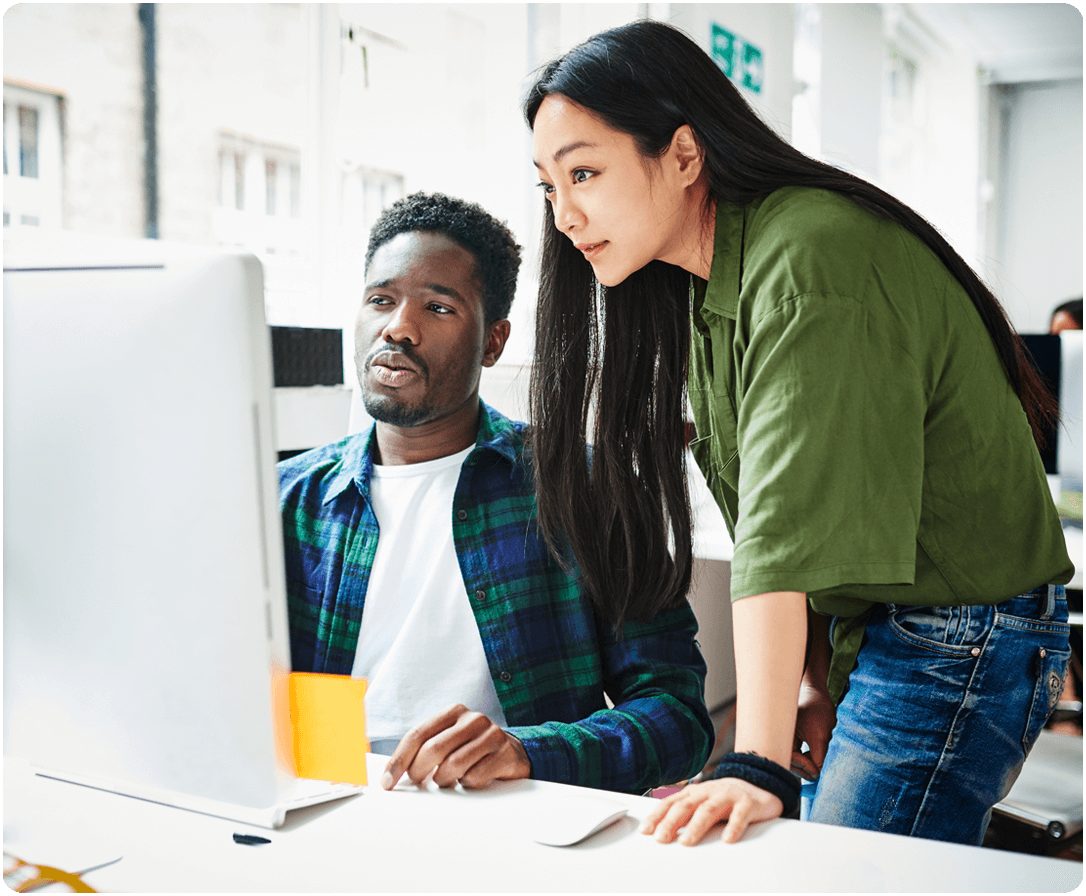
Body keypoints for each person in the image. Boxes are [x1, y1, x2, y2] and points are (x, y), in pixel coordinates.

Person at [524, 21, 1073, 845]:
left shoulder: (811, 256)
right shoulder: (707, 290)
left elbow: (778, 536)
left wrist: (757, 761)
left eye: (585, 173)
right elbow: (802, 515)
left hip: (956, 640)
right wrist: (810, 682)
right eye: (548, 187)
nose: (565, 215)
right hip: (892, 630)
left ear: (682, 154)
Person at [278, 191, 713, 796]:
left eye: (438, 308)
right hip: (331, 809)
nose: (398, 328)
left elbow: (677, 717)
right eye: (381, 300)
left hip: (513, 819)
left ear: (493, 342)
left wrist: (528, 753)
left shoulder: (586, 489)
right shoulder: (287, 504)